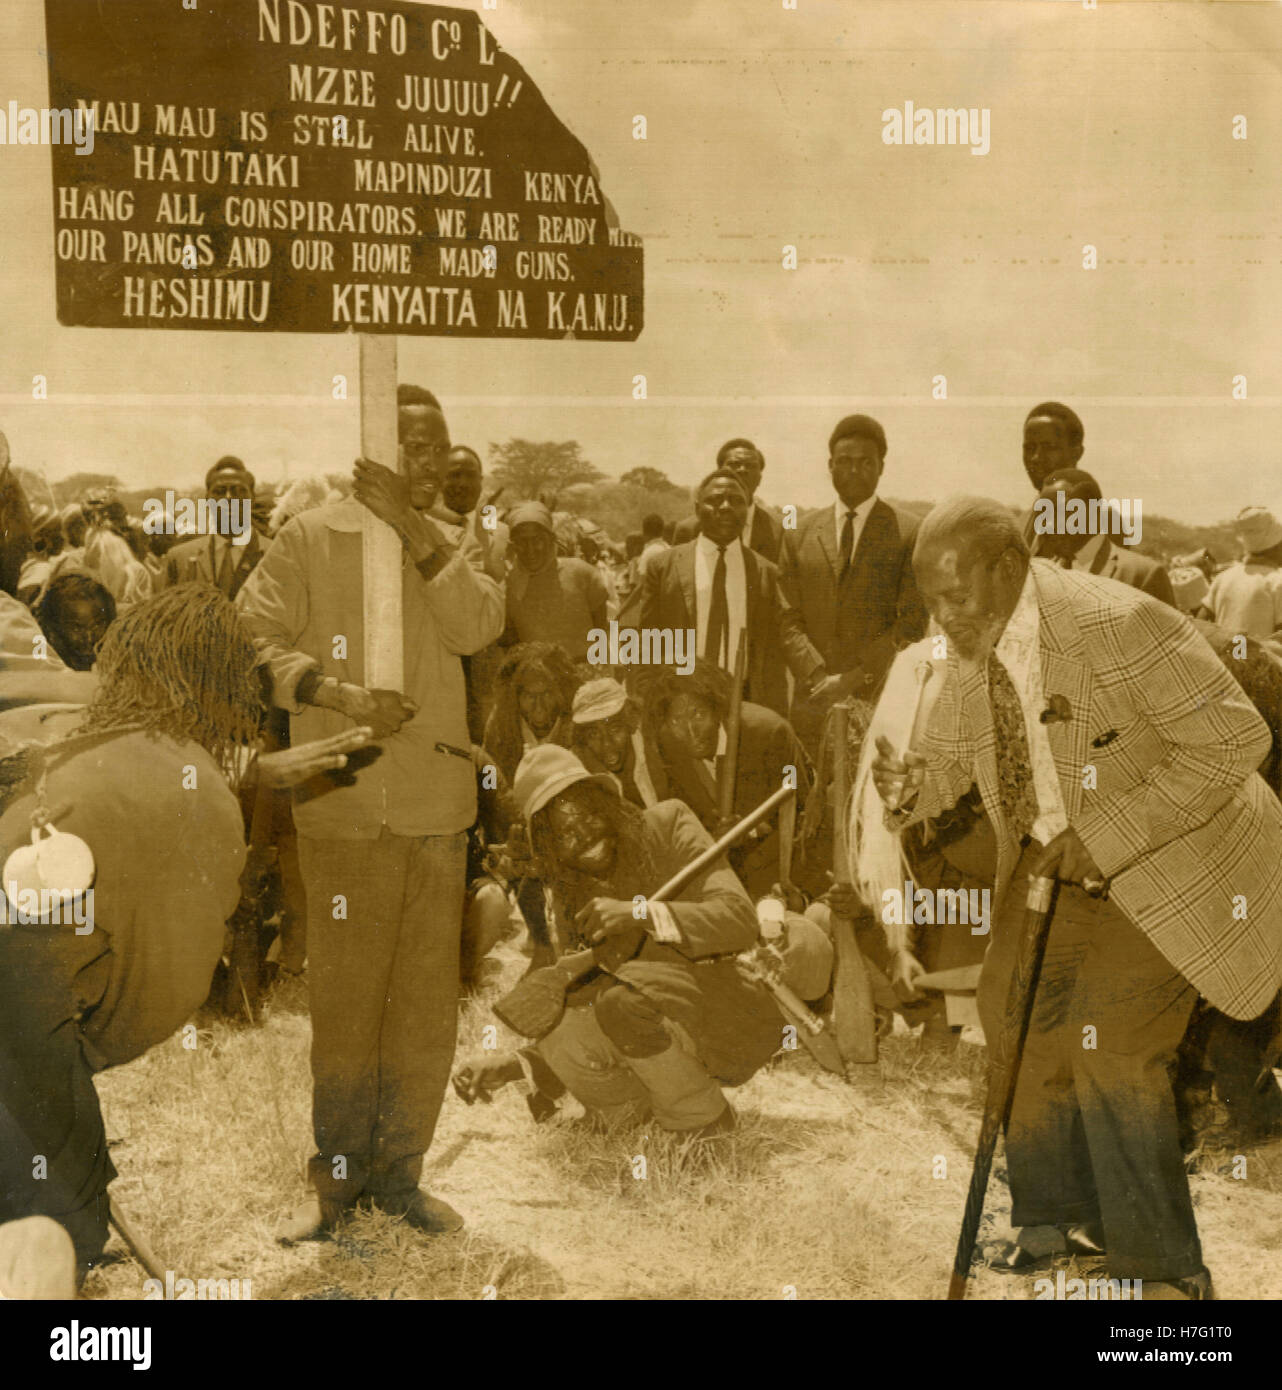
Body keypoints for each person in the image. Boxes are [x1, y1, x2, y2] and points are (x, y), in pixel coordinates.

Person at [871, 496, 1282, 1299]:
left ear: (1007, 564)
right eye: (932, 600)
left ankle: (1168, 1279)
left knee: (1111, 1047)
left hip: (1174, 858)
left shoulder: (1114, 622)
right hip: (1062, 858)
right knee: (1012, 1010)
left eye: (957, 596)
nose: (944, 617)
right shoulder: (971, 637)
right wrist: (915, 785)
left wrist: (1110, 835)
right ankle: (1060, 1222)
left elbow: (1239, 737)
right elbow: (953, 754)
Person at [0, 586, 370, 1279]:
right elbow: (168, 989)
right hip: (20, 1025)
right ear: (229, 684)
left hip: (20, 1010)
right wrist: (82, 1049)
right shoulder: (195, 798)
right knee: (53, 1230)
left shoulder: (73, 734)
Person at [237, 381, 505, 1243]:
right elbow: (253, 637)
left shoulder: (456, 545)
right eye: (412, 447)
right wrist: (337, 692)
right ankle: (335, 1185)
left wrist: (419, 532)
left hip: (434, 808)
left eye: (439, 446)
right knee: (348, 1005)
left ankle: (401, 1177)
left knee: (426, 1007)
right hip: (343, 804)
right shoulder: (311, 537)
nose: (429, 462)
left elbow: (475, 629)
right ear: (372, 444)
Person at [452, 746, 783, 1135]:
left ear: (606, 803)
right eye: (565, 834)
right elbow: (580, 1001)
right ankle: (631, 1111)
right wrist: (514, 1066)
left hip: (733, 1008)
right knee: (565, 1026)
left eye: (589, 814)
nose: (586, 835)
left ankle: (705, 1120)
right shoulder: (567, 892)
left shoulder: (669, 822)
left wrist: (639, 913)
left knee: (622, 1001)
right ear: (549, 848)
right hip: (653, 1017)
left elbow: (739, 919)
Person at [779, 415, 926, 745]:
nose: (854, 470)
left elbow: (913, 622)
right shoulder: (798, 533)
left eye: (865, 462)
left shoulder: (908, 532)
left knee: (871, 793)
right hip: (812, 700)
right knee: (809, 792)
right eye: (844, 462)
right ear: (830, 465)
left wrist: (853, 678)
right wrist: (817, 676)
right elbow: (786, 617)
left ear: (881, 467)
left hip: (878, 699)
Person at [632, 470, 823, 719]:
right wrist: (649, 704)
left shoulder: (767, 572)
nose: (725, 507)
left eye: (736, 500)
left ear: (746, 511)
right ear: (697, 507)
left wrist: (815, 679)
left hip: (745, 706)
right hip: (680, 703)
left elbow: (784, 642)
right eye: (715, 500)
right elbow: (648, 640)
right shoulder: (663, 566)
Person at [640, 661, 811, 898]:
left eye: (698, 714)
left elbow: (805, 817)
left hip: (782, 874)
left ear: (717, 708)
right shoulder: (670, 747)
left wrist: (748, 832)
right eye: (677, 721)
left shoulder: (768, 732)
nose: (690, 731)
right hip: (723, 879)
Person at [1032, 468, 1175, 605]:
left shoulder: (1143, 575)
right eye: (1043, 513)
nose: (1048, 524)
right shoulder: (1042, 577)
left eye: (1060, 512)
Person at [504, 501, 609, 663]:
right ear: (513, 545)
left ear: (551, 539)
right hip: (536, 681)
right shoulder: (508, 585)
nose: (530, 549)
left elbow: (602, 628)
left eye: (537, 540)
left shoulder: (581, 573)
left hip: (586, 674)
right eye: (521, 542)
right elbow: (510, 645)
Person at [160, 457, 264, 601]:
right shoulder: (179, 558)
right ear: (207, 499)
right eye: (219, 491)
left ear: (252, 498)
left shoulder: (275, 554)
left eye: (238, 491)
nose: (228, 498)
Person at [673, 439, 785, 563]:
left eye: (751, 466)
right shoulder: (689, 529)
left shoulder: (780, 531)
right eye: (734, 464)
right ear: (719, 473)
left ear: (760, 478)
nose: (743, 470)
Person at [570, 676, 661, 809]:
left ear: (631, 720)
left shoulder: (657, 747)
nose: (606, 743)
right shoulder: (581, 775)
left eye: (614, 729)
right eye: (593, 734)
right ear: (583, 738)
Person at [1201, 506, 1282, 641]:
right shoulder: (1277, 582)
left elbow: (1201, 624)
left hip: (1222, 660)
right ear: (1277, 545)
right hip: (1259, 661)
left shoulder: (1222, 578)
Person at [34, 571, 116, 672]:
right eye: (76, 628)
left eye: (97, 625)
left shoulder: (115, 664)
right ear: (53, 629)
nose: (89, 637)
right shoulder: (45, 667)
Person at [1021, 401, 1084, 491]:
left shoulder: (1092, 504)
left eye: (1049, 448)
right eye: (1030, 448)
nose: (1036, 458)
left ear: (1076, 453)